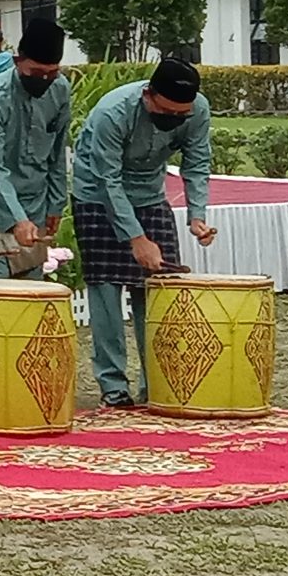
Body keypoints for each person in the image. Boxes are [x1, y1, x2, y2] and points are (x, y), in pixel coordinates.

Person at [71, 56, 217, 407]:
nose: (175, 120)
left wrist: (197, 215)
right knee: (106, 290)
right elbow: (108, 180)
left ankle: (158, 384)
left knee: (157, 293)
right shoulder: (113, 112)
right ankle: (113, 386)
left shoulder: (196, 110)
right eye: (167, 112)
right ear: (148, 96)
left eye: (182, 114)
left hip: (151, 195)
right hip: (96, 195)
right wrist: (136, 238)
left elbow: (197, 161)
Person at [0, 18, 70, 279]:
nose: (44, 79)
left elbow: (57, 153)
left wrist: (55, 205)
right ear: (18, 62)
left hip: (34, 205)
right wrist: (17, 219)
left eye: (51, 73)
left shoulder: (60, 90)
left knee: (31, 293)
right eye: (36, 72)